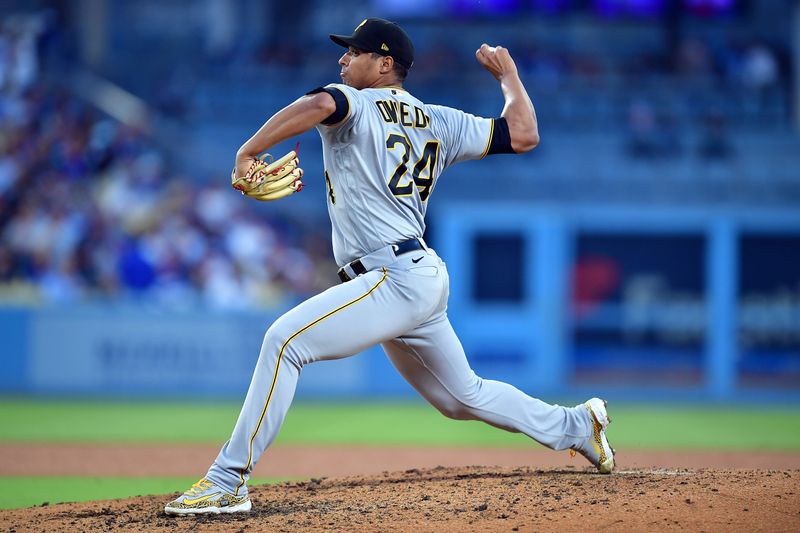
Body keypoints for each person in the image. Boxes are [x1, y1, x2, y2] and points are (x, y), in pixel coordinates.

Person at [165, 18, 614, 515]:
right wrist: (508, 76)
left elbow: (318, 104)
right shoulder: (440, 120)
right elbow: (524, 134)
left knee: (283, 342)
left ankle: (227, 480)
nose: (342, 60)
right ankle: (576, 425)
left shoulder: (354, 102)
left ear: (383, 64)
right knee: (462, 397)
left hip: (391, 277)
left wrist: (248, 151)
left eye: (353, 53)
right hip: (415, 274)